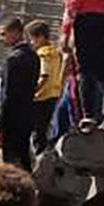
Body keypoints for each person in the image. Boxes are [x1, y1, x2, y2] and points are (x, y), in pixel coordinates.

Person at [0, 18, 40, 171]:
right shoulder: (33, 55)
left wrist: (0, 126)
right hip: (28, 114)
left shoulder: (13, 59)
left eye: (3, 34)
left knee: (11, 162)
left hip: (12, 119)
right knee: (23, 156)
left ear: (15, 33)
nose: (1, 39)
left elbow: (9, 96)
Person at [26, 21, 61, 153]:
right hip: (53, 94)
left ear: (40, 37)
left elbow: (44, 75)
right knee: (43, 130)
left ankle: (39, 159)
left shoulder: (43, 54)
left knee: (37, 132)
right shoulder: (55, 53)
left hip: (41, 96)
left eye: (32, 39)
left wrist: (32, 91)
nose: (31, 42)